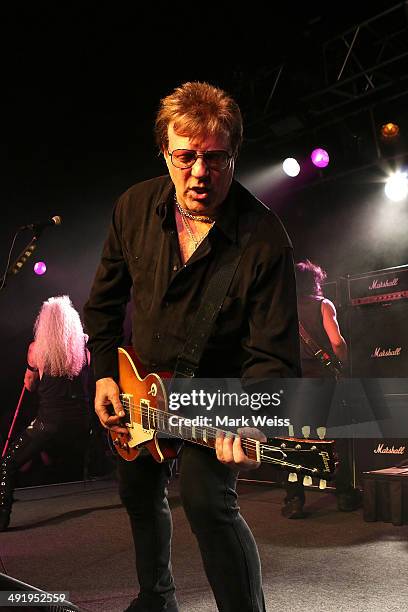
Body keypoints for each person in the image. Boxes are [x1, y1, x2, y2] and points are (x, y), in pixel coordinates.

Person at [84, 81, 301, 612]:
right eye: (184, 157)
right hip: (141, 382)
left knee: (209, 504)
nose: (199, 173)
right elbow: (104, 306)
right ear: (165, 152)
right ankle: (156, 599)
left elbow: (272, 353)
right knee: (137, 492)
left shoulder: (264, 238)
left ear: (234, 155)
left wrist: (252, 417)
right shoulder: (134, 207)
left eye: (214, 158)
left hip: (215, 394)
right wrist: (105, 373)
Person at [0, 295, 91, 531]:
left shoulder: (36, 349)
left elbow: (29, 385)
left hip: (49, 422)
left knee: (8, 462)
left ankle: (1, 519)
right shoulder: (83, 344)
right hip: (82, 419)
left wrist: (31, 371)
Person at [282, 259, 361, 519]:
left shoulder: (281, 308)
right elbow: (336, 343)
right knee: (335, 439)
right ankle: (346, 497)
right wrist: (344, 364)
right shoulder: (323, 305)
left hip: (293, 382)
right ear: (315, 281)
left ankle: (294, 501)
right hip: (322, 380)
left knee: (295, 442)